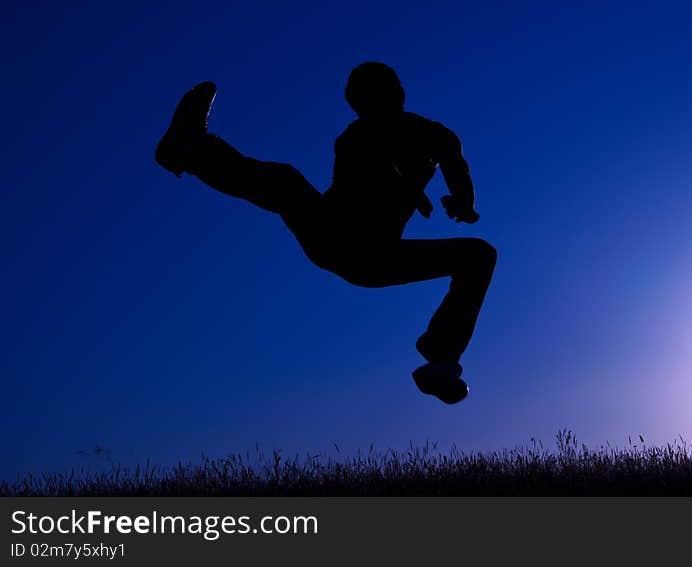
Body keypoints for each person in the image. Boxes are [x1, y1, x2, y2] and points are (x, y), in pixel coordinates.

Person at [155, 62, 496, 404]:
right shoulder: (352, 138)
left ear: (398, 96)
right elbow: (362, 176)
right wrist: (404, 185)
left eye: (376, 102)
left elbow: (454, 163)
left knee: (479, 255)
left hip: (377, 256)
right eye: (362, 106)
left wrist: (463, 202)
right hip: (334, 233)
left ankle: (442, 357)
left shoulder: (434, 135)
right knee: (286, 183)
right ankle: (191, 149)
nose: (369, 114)